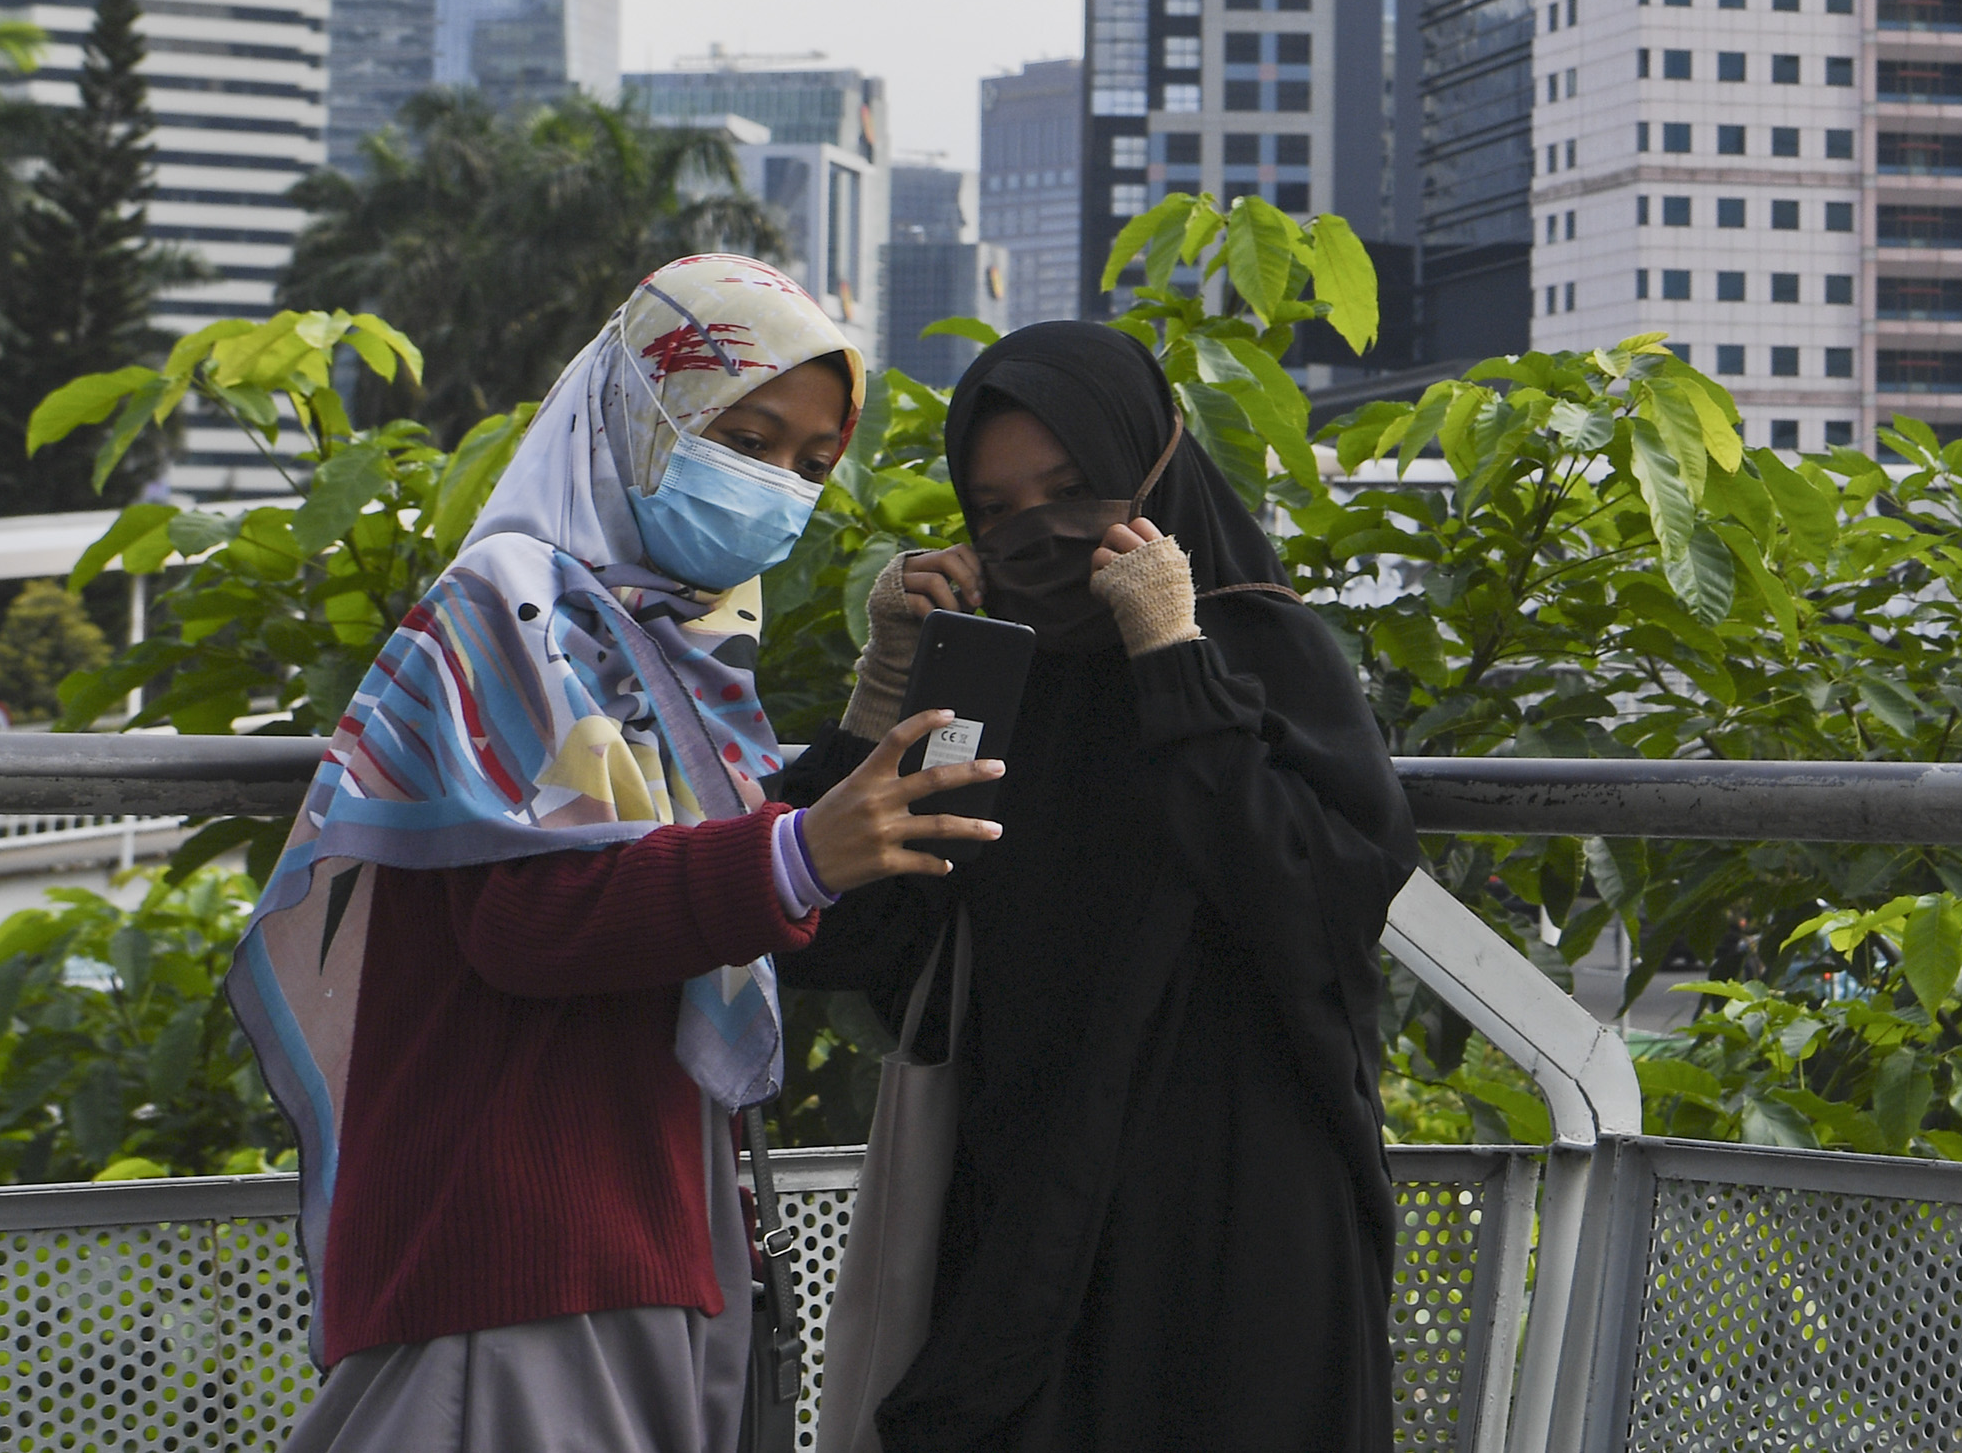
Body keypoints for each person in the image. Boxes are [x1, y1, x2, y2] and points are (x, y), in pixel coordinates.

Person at [234, 255, 1003, 1453]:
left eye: (808, 462)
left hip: (634, 1222)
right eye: (743, 436)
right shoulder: (514, 606)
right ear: (640, 408)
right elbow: (528, 920)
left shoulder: (669, 647)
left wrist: (878, 705)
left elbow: (709, 881)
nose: (776, 489)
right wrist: (795, 856)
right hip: (518, 1234)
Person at [771, 319, 1418, 1453]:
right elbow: (846, 937)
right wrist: (885, 701)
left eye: (1075, 490)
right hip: (1029, 1215)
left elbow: (1313, 908)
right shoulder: (988, 680)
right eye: (1000, 514)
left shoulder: (1263, 648)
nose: (1044, 534)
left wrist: (1174, 659)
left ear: (1154, 470)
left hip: (1239, 1212)